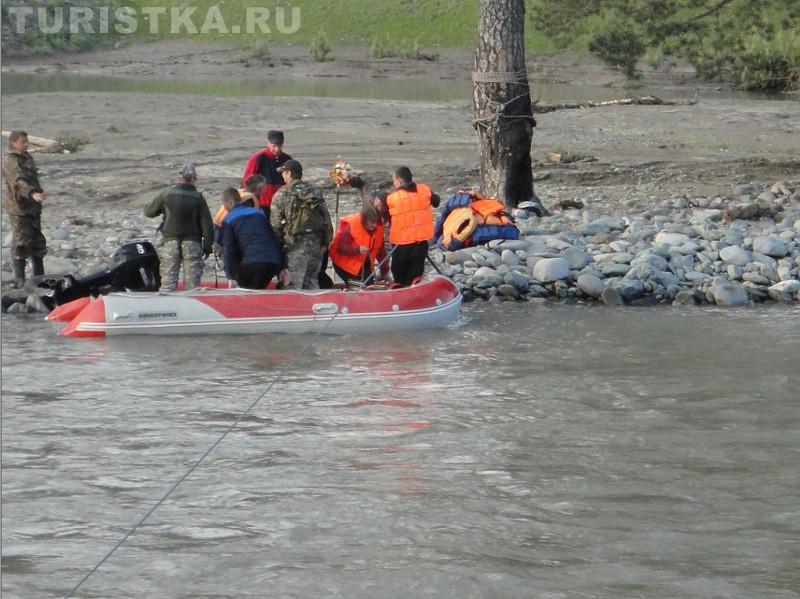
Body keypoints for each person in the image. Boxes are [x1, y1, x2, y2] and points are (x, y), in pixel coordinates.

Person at [144, 165, 214, 291]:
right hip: (192, 243)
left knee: (168, 283)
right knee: (192, 286)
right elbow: (207, 224)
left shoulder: (166, 194)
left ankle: (168, 308)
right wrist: (207, 247)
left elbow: (149, 212)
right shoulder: (198, 197)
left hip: (170, 242)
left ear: (178, 177)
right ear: (194, 178)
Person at [270, 159, 333, 290]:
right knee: (312, 284)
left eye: (283, 172)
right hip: (316, 246)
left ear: (288, 173)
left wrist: (278, 252)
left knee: (293, 287)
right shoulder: (314, 191)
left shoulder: (282, 193)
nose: (282, 175)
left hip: (295, 247)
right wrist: (324, 244)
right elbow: (327, 219)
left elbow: (275, 226)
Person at [2, 131, 47, 288]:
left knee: (38, 241)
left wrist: (39, 191)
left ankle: (40, 278)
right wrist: (31, 192)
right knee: (22, 241)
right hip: (19, 207)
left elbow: (32, 177)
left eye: (27, 141)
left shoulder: (26, 157)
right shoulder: (11, 160)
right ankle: (19, 280)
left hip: (33, 206)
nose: (26, 144)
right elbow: (17, 181)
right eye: (23, 141)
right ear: (13, 143)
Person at [219, 188, 284, 289]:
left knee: (246, 290)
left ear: (229, 202)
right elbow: (274, 239)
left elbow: (229, 250)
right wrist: (283, 267)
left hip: (252, 262)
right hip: (273, 263)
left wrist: (231, 276)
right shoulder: (259, 213)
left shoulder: (229, 219)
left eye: (224, 204)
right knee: (258, 289)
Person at [385, 166, 440, 286]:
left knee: (399, 276)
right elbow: (437, 202)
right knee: (415, 275)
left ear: (399, 181)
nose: (393, 183)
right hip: (420, 243)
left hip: (401, 245)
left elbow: (386, 217)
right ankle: (416, 291)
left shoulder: (391, 198)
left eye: (394, 180)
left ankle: (399, 292)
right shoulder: (425, 190)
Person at [329, 203, 388, 285]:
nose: (374, 225)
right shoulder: (352, 225)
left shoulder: (378, 228)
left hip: (363, 263)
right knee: (358, 285)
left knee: (369, 284)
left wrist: (384, 270)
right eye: (371, 222)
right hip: (343, 264)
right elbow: (341, 247)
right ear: (364, 220)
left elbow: (381, 252)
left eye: (376, 223)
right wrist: (358, 249)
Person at [241, 129, 291, 219]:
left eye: (279, 146)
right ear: (268, 143)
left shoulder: (287, 159)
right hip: (261, 205)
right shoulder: (258, 158)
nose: (277, 149)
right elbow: (247, 181)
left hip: (281, 205)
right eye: (274, 146)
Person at [212, 174, 265, 255]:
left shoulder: (240, 193)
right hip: (225, 236)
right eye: (264, 188)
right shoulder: (249, 200)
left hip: (218, 232)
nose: (264, 191)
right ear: (259, 189)